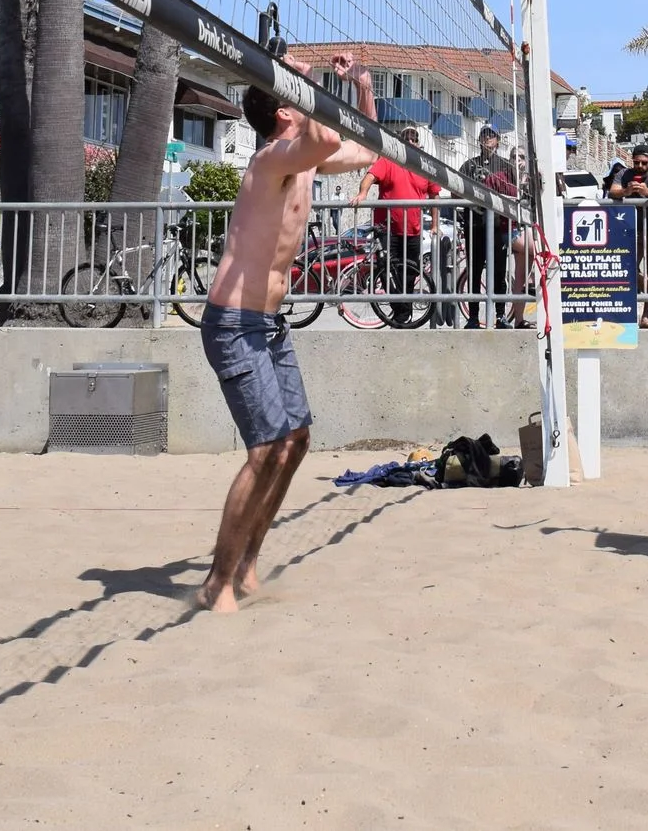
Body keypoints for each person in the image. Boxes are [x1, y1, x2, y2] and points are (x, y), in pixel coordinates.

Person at [199, 52, 386, 613]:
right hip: (233, 322)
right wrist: (302, 81)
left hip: (268, 322)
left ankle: (248, 561)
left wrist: (364, 85)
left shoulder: (302, 161)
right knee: (265, 450)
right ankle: (216, 581)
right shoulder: (270, 162)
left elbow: (367, 148)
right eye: (296, 94)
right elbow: (327, 139)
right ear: (285, 110)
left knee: (296, 440)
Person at [359, 124, 440, 325]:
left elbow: (435, 196)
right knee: (386, 270)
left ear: (418, 142)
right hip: (387, 228)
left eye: (414, 138)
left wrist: (435, 225)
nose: (410, 141)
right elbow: (370, 176)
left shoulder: (424, 165)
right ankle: (402, 312)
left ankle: (404, 314)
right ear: (400, 140)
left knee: (410, 273)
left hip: (412, 229)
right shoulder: (389, 160)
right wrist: (362, 193)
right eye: (406, 137)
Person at [460, 127, 524, 328]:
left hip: (497, 227)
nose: (488, 138)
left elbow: (515, 192)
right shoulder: (469, 165)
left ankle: (500, 316)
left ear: (497, 140)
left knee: (498, 273)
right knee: (474, 272)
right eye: (484, 135)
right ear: (479, 140)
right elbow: (457, 189)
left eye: (492, 135)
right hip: (475, 225)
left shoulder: (505, 165)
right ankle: (472, 317)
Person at [607, 139, 648, 320]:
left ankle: (645, 317)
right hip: (632, 231)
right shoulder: (624, 173)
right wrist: (626, 192)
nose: (640, 166)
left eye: (644, 162)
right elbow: (613, 192)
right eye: (636, 162)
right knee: (628, 269)